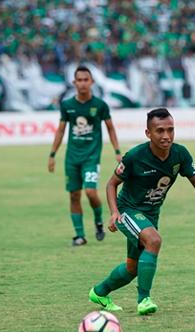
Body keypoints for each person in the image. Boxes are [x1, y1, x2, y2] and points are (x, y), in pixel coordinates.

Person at [88, 108, 195, 315]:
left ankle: (99, 292)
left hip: (150, 215)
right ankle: (144, 300)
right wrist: (114, 212)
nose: (166, 136)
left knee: (132, 269)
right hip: (127, 211)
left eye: (170, 130)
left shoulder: (180, 153)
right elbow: (111, 184)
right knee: (153, 241)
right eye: (160, 131)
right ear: (148, 133)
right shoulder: (135, 156)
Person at [48, 65, 122, 246]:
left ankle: (98, 221)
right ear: (74, 83)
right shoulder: (67, 105)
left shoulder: (100, 105)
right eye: (79, 80)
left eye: (85, 80)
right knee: (74, 195)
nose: (82, 83)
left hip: (91, 157)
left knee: (90, 192)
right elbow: (60, 131)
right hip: (72, 158)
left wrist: (117, 151)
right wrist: (52, 154)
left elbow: (110, 128)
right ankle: (80, 235)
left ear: (92, 82)